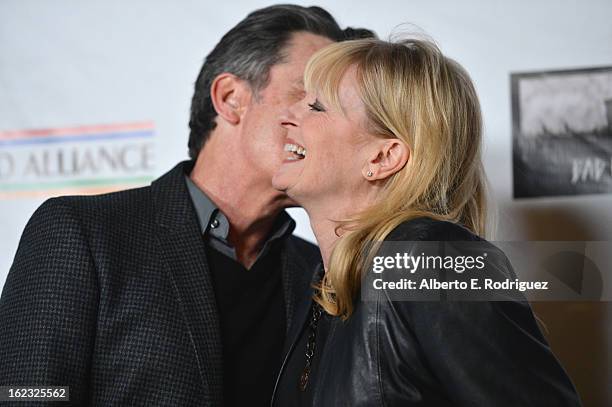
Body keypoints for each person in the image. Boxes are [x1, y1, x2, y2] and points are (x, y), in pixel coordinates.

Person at [0, 5, 374, 406]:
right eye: (309, 99)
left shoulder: (320, 273)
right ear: (231, 98)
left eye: (332, 108)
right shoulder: (82, 232)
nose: (323, 124)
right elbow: (25, 393)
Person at [271, 38, 582, 406]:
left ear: (383, 157)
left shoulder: (425, 261)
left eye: (317, 107)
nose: (286, 116)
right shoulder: (325, 282)